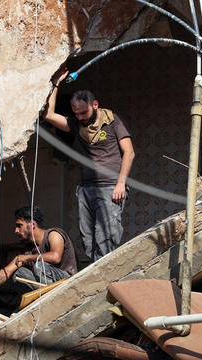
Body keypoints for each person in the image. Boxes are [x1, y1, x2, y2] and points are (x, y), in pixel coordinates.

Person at [43, 68, 135, 261]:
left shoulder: (113, 121)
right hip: (86, 189)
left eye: (84, 112)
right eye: (76, 114)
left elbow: (129, 152)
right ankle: (95, 278)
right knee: (88, 239)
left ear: (95, 104)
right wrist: (56, 84)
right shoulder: (77, 125)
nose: (80, 117)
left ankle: (107, 279)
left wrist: (120, 183)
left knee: (106, 238)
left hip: (110, 188)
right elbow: (49, 115)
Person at [0, 206, 77, 304]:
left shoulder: (53, 234)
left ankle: (51, 299)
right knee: (19, 274)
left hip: (67, 282)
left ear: (32, 224)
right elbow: (6, 272)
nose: (16, 230)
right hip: (48, 289)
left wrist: (28, 258)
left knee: (39, 265)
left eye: (19, 225)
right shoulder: (27, 250)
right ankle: (41, 302)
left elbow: (55, 257)